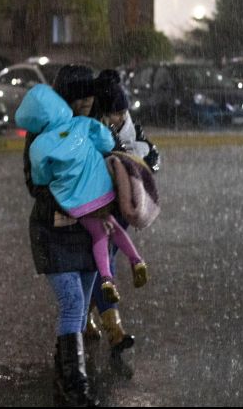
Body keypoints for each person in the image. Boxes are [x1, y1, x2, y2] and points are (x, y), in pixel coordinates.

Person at [21, 64, 110, 406]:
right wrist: (70, 205)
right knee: (72, 303)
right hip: (54, 230)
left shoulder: (92, 125)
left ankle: (65, 372)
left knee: (81, 306)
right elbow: (35, 185)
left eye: (90, 97)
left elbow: (117, 155)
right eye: (80, 97)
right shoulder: (42, 132)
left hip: (87, 233)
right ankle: (75, 385)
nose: (86, 103)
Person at [17, 81, 149, 306]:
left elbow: (41, 178)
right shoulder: (82, 124)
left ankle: (106, 278)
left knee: (99, 235)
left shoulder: (39, 145)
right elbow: (106, 141)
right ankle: (136, 259)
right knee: (112, 227)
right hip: (102, 192)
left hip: (77, 203)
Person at [84, 74, 161, 365]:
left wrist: (139, 158)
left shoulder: (133, 130)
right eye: (114, 112)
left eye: (122, 111)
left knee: (100, 266)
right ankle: (114, 330)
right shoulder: (93, 131)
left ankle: (85, 317)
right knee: (103, 266)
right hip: (98, 207)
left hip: (123, 208)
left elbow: (153, 158)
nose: (119, 117)